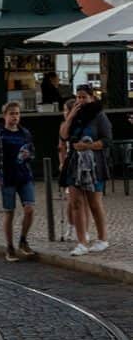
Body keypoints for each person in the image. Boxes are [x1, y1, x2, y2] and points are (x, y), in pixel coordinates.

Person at [60, 84, 112, 256]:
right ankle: (81, 241)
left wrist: (88, 146)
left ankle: (102, 238)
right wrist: (70, 117)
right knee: (75, 202)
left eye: (84, 97)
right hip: (75, 163)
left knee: (94, 203)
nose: (81, 100)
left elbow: (107, 140)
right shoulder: (75, 115)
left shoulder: (99, 116)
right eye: (78, 97)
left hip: (94, 164)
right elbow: (64, 135)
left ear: (92, 97)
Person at [0, 101, 37, 262]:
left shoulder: (25, 133)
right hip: (7, 177)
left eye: (17, 114)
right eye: (12, 114)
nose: (15, 117)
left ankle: (23, 240)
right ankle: (9, 246)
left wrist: (27, 155)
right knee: (9, 212)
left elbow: (32, 152)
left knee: (29, 209)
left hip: (24, 176)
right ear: (5, 116)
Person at [58, 97, 77, 240]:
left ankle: (81, 228)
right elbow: (61, 146)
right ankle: (72, 226)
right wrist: (62, 162)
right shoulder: (64, 126)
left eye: (66, 110)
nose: (64, 113)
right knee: (71, 199)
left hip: (78, 162)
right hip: (69, 164)